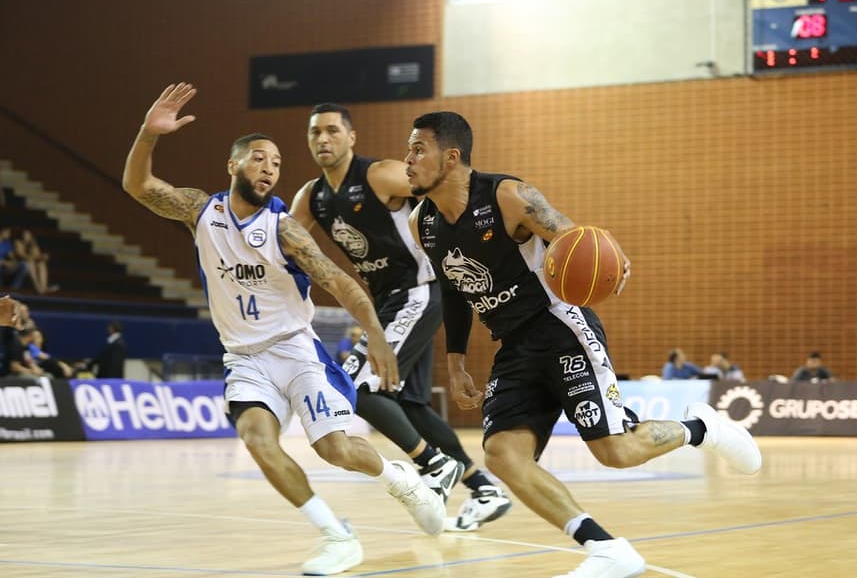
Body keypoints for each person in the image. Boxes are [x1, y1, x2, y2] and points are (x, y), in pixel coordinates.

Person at [404, 111, 762, 578]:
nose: (407, 160)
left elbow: (573, 238)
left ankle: (701, 428)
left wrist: (609, 257)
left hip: (561, 326)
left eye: (417, 149)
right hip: (513, 343)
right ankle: (607, 549)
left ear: (451, 157)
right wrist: (455, 364)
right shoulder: (421, 223)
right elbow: (453, 289)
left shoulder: (508, 196)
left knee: (615, 451)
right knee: (503, 456)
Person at [122, 83, 445, 576]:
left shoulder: (284, 230)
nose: (269, 167)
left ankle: (400, 478)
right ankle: (337, 536)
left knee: (336, 449)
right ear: (233, 166)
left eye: (275, 161)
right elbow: (138, 187)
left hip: (297, 352)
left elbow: (339, 281)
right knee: (257, 439)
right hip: (245, 358)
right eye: (258, 158)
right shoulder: (199, 211)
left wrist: (375, 334)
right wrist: (148, 132)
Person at [290, 102, 511, 531]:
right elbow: (283, 242)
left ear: (351, 137)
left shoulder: (378, 175)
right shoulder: (311, 196)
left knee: (359, 384)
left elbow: (447, 187)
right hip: (389, 303)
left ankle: (432, 464)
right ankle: (483, 487)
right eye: (315, 132)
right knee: (408, 401)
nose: (323, 139)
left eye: (333, 130)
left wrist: (481, 239)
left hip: (419, 291)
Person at [14, 229, 58, 295]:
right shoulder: (18, 242)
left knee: (41, 264)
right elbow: (22, 256)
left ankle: (43, 287)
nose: (26, 236)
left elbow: (37, 254)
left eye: (28, 235)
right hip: (19, 264)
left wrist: (43, 257)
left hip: (31, 262)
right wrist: (35, 257)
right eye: (25, 234)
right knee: (30, 264)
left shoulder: (32, 243)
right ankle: (38, 288)